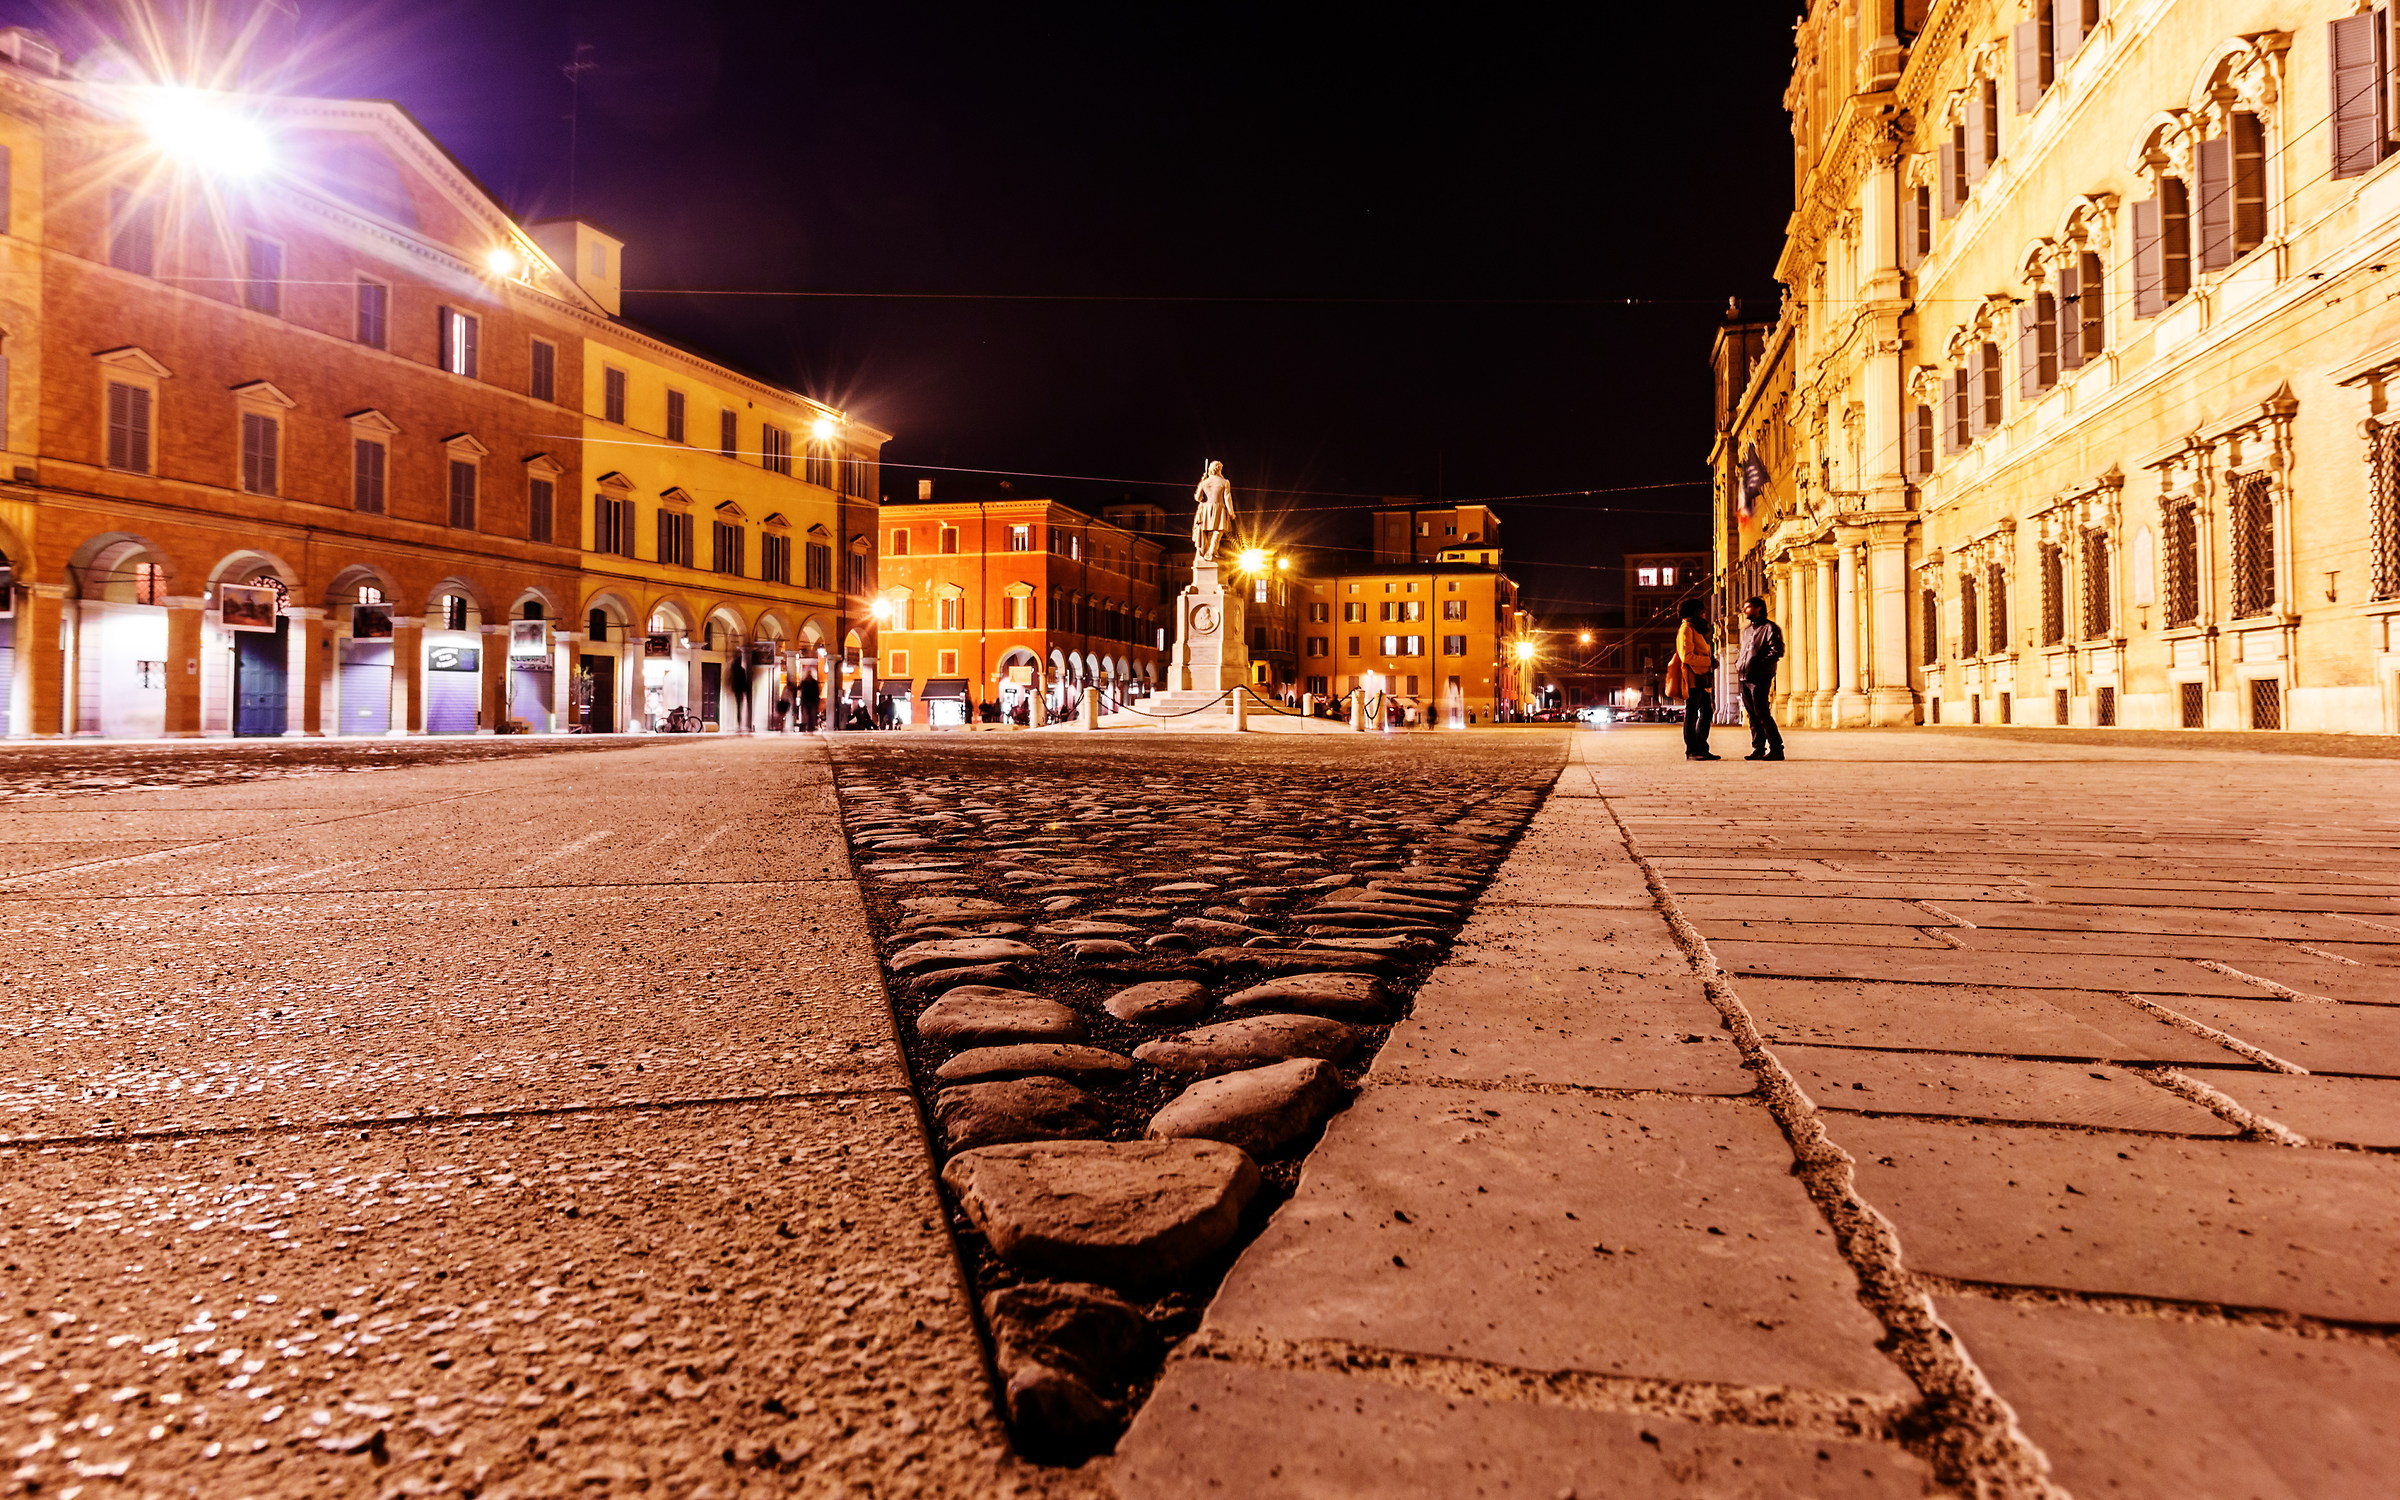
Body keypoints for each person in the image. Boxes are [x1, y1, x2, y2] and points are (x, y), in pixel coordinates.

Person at [1733, 595, 1786, 761]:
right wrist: (1739, 664)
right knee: (1752, 715)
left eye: (1747, 607)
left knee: (1762, 713)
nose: (1744, 610)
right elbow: (1744, 651)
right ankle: (1758, 748)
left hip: (1760, 677)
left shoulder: (1770, 628)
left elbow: (1777, 650)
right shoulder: (1747, 630)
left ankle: (1777, 748)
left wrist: (1760, 665)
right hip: (1744, 676)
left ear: (1758, 609)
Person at [1667, 597, 1719, 761]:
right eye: (1702, 611)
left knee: (1706, 712)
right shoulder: (1686, 628)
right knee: (1692, 714)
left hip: (1702, 677)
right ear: (1695, 612)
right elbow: (1687, 656)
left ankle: (1701, 747)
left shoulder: (1696, 629)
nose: (1705, 614)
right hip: (1691, 678)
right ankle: (1692, 750)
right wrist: (1709, 661)